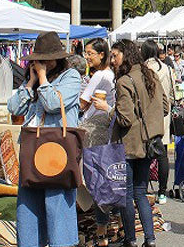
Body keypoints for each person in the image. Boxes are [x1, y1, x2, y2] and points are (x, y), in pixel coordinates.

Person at [7, 31, 82, 247]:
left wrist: (42, 79)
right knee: (28, 209)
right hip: (32, 151)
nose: (42, 65)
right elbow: (14, 108)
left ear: (58, 58)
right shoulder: (35, 80)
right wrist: (30, 82)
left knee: (57, 206)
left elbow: (52, 104)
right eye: (39, 61)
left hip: (57, 153)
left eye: (45, 61)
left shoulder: (71, 77)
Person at [93, 39, 167, 247]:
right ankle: (150, 239)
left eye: (115, 55)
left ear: (126, 55)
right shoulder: (150, 74)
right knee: (140, 192)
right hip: (149, 143)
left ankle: (131, 239)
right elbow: (165, 107)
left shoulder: (125, 80)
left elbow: (124, 118)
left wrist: (107, 108)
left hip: (128, 145)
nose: (113, 60)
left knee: (126, 194)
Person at [77, 38, 116, 246]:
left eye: (90, 53)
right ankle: (105, 226)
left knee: (94, 181)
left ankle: (100, 229)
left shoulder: (99, 76)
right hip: (106, 131)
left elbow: (82, 103)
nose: (87, 56)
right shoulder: (111, 75)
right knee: (104, 180)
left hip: (93, 132)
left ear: (102, 54)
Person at [141, 40, 174, 206]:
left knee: (146, 151)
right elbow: (172, 91)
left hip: (148, 113)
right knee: (163, 153)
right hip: (164, 112)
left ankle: (144, 189)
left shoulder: (142, 68)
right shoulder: (166, 67)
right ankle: (162, 191)